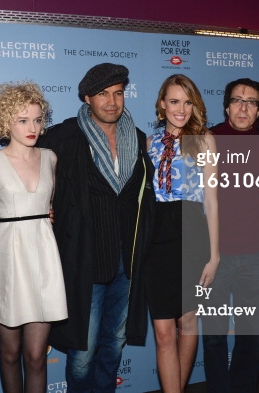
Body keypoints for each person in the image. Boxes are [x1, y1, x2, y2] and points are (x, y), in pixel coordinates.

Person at [38, 63, 155, 393]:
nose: (112, 102)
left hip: (127, 264)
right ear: (87, 97)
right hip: (85, 262)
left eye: (118, 93)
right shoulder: (64, 137)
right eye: (103, 94)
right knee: (82, 353)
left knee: (113, 346)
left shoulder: (139, 139)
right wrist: (42, 206)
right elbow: (31, 170)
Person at [0, 82, 67, 393]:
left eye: (38, 119)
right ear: (6, 122)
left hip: (42, 255)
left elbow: (53, 207)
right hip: (6, 258)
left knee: (36, 356)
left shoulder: (50, 158)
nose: (32, 127)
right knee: (10, 354)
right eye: (23, 120)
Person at [201, 78, 259, 393]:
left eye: (252, 102)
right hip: (213, 259)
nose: (244, 107)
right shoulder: (208, 140)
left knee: (252, 336)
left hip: (256, 258)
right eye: (237, 100)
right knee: (214, 336)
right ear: (226, 105)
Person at [144, 74, 219, 393]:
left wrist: (215, 256)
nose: (181, 109)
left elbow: (213, 202)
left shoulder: (204, 139)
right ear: (162, 105)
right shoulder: (148, 141)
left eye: (188, 102)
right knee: (163, 331)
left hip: (193, 235)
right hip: (156, 238)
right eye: (174, 101)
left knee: (188, 323)